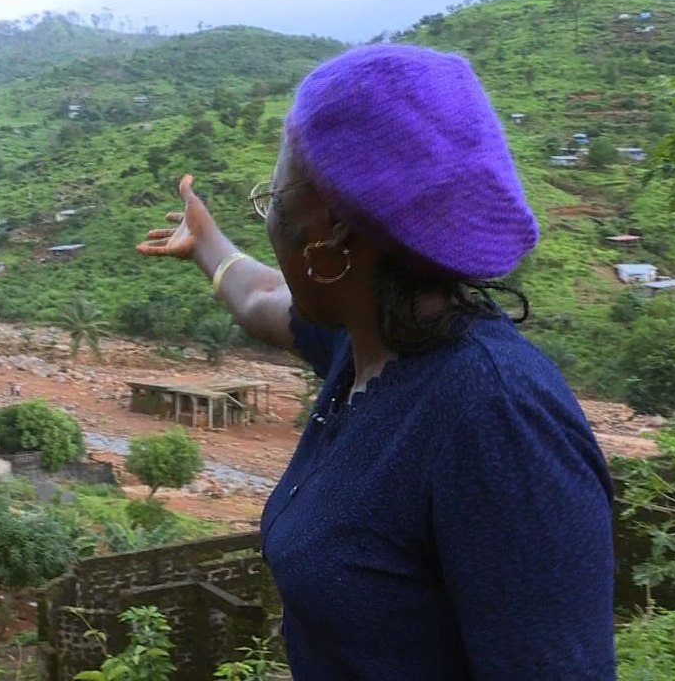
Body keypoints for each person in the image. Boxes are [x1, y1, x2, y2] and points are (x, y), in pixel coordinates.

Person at [137, 44, 615, 679]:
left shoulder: (497, 419)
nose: (270, 222)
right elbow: (260, 298)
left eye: (275, 202)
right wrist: (207, 245)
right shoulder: (369, 342)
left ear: (332, 236)